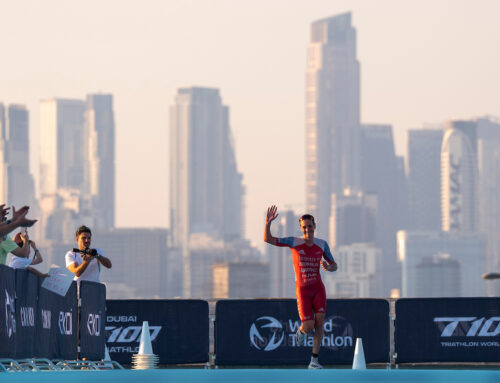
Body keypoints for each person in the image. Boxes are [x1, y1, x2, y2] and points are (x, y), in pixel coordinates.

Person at [264, 205, 337, 369]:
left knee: (320, 324)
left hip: (318, 289)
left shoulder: (322, 244)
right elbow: (268, 239)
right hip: (303, 291)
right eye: (304, 227)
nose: (307, 230)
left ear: (314, 226)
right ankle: (301, 331)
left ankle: (314, 360)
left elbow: (334, 265)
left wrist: (329, 267)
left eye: (310, 226)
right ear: (301, 228)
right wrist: (268, 223)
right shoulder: (293, 241)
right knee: (309, 326)